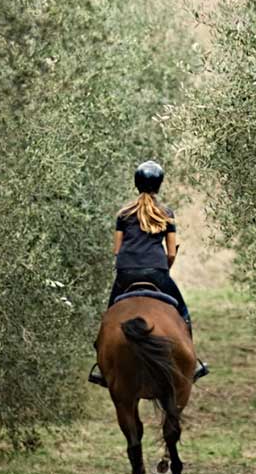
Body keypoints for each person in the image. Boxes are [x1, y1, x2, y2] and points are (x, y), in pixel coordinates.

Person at [90, 160, 209, 384]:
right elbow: (171, 253)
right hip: (156, 272)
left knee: (110, 314)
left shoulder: (123, 214)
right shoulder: (166, 213)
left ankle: (101, 367)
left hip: (126, 273)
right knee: (182, 313)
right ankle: (192, 363)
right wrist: (164, 271)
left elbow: (117, 250)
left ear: (136, 184)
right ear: (159, 185)